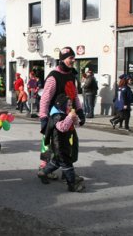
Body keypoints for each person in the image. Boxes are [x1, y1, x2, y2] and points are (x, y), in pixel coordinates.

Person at [38, 47, 85, 180]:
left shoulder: (71, 74)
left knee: (71, 144)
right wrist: (43, 118)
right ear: (63, 59)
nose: (73, 60)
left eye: (73, 57)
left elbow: (74, 96)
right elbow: (45, 99)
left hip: (68, 116)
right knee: (52, 145)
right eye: (71, 58)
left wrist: (80, 111)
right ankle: (44, 169)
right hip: (56, 117)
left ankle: (66, 172)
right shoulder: (54, 77)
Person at [37, 94, 85, 192]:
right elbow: (63, 128)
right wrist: (69, 117)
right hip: (59, 146)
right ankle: (72, 185)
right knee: (67, 165)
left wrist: (75, 119)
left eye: (71, 105)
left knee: (56, 162)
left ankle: (43, 172)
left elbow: (75, 126)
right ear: (62, 105)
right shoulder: (57, 116)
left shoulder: (65, 114)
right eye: (68, 105)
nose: (71, 107)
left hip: (64, 144)